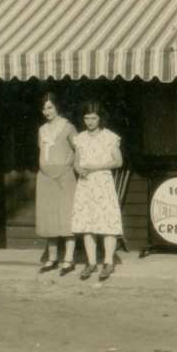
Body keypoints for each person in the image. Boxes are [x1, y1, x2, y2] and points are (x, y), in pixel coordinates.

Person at [69, 100, 123, 280]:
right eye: (87, 118)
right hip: (85, 185)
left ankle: (108, 262)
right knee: (87, 223)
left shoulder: (109, 137)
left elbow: (118, 161)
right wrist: (79, 168)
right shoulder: (80, 138)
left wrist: (96, 167)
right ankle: (91, 262)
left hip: (103, 183)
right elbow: (76, 160)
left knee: (107, 222)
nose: (90, 122)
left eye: (93, 118)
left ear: (100, 118)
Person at [34, 92, 78, 274]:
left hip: (64, 177)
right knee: (48, 217)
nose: (46, 111)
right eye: (44, 108)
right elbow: (42, 153)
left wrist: (68, 167)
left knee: (65, 217)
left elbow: (78, 150)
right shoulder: (42, 130)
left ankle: (68, 259)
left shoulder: (67, 127)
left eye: (50, 107)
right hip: (45, 177)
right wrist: (45, 169)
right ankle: (52, 258)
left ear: (57, 107)